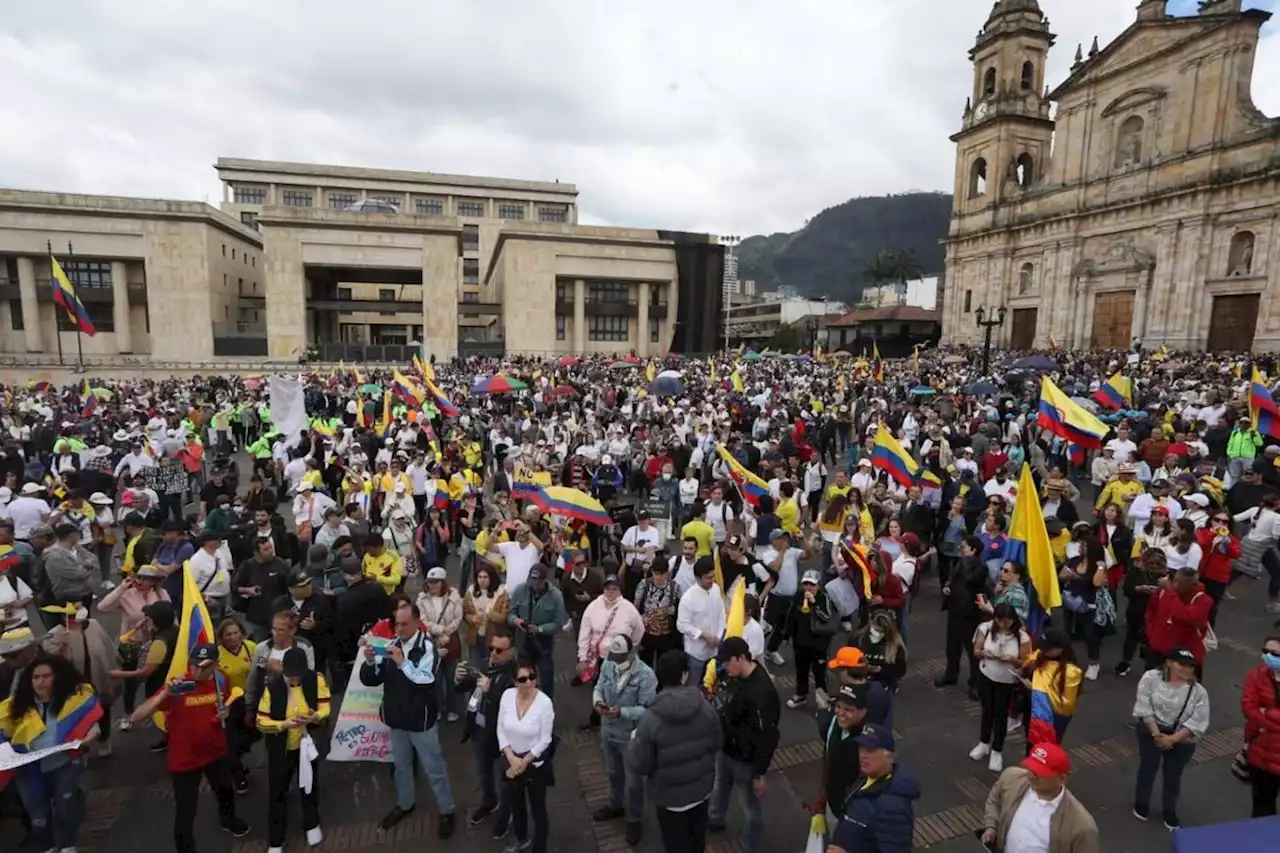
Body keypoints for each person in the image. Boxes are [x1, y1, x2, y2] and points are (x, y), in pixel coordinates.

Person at [130, 643, 252, 853]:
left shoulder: (220, 680)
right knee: (186, 809)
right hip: (184, 759)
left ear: (214, 665)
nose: (197, 671)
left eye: (204, 667)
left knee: (225, 791)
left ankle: (228, 820)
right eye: (194, 665)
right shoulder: (178, 684)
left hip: (215, 751)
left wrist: (226, 711)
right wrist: (165, 693)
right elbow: (136, 717)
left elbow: (226, 704)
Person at [360, 602, 456, 838]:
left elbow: (425, 680)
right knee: (401, 767)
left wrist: (402, 662)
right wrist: (371, 661)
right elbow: (372, 679)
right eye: (396, 624)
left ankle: (447, 810)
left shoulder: (427, 648)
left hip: (421, 721)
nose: (399, 629)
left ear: (416, 623)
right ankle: (405, 804)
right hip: (397, 718)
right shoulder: (392, 645)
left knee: (434, 768)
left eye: (404, 624)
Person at [0, 653, 102, 853]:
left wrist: (89, 737)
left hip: (64, 763)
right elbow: (2, 733)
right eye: (36, 677)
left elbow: (92, 725)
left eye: (46, 676)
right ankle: (46, 846)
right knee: (37, 812)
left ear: (58, 677)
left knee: (66, 807)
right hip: (28, 769)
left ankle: (67, 845)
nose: (41, 681)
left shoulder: (75, 701)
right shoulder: (13, 707)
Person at [630, 648, 722, 853]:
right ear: (685, 674)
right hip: (701, 791)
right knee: (697, 842)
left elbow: (639, 765)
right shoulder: (706, 708)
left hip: (669, 798)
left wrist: (634, 743)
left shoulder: (650, 720)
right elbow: (717, 743)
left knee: (674, 845)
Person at [707, 636, 780, 853]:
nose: (724, 667)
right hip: (726, 748)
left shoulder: (762, 692)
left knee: (751, 808)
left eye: (727, 662)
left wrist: (760, 772)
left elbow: (769, 735)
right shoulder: (734, 675)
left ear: (740, 658)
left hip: (746, 760)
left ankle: (751, 847)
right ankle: (715, 818)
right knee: (720, 785)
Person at [256, 646, 331, 852]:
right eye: (291, 677)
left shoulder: (317, 680)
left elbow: (326, 706)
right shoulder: (272, 687)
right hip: (281, 749)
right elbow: (261, 721)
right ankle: (275, 839)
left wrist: (315, 716)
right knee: (277, 792)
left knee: (309, 787)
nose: (295, 681)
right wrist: (282, 725)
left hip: (307, 746)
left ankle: (312, 823)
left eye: (298, 676)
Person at [1130, 647, 1209, 828]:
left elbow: (1198, 721)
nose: (1186, 669)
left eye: (1190, 666)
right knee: (1147, 768)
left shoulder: (1198, 691)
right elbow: (1144, 706)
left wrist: (1172, 739)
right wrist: (1157, 734)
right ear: (1168, 663)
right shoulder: (1151, 678)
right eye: (1181, 664)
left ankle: (1169, 810)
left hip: (1181, 739)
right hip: (1151, 732)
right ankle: (1142, 802)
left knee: (1173, 774)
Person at [591, 634, 657, 845]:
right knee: (612, 772)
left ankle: (635, 819)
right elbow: (598, 687)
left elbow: (648, 710)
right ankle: (615, 805)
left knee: (634, 781)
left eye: (620, 657)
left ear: (632, 652)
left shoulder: (646, 675)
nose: (615, 661)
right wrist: (598, 703)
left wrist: (623, 713)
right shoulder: (608, 665)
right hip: (608, 731)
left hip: (631, 737)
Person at [979, 742, 1098, 853]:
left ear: (1062, 779)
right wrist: (991, 826)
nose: (1032, 775)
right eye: (1032, 768)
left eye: (1041, 772)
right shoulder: (1011, 778)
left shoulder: (1082, 827)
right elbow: (994, 800)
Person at [457, 625, 517, 838]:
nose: (493, 653)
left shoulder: (516, 675)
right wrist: (459, 677)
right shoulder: (484, 664)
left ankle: (506, 814)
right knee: (483, 772)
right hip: (479, 730)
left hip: (501, 737)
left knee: (504, 778)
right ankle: (489, 802)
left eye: (499, 650)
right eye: (491, 647)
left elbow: (514, 708)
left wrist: (490, 692)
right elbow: (463, 687)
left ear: (511, 652)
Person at [828, 724, 918, 853]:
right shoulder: (868, 776)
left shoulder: (892, 808)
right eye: (861, 748)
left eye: (870, 750)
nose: (862, 755)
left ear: (890, 757)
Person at [497, 657, 555, 853]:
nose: (529, 682)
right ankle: (520, 838)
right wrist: (511, 757)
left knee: (538, 809)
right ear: (515, 682)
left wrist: (523, 762)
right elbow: (500, 728)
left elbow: (545, 740)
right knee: (516, 804)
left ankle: (539, 848)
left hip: (534, 765)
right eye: (523, 679)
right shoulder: (507, 696)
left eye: (532, 677)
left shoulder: (545, 704)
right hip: (511, 760)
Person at [969, 603, 1033, 774]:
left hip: (1007, 681)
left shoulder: (1022, 637)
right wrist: (984, 653)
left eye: (1008, 622)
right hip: (987, 675)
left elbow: (1027, 662)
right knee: (986, 710)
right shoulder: (986, 628)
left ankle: (997, 750)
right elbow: (976, 650)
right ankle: (983, 743)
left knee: (1001, 714)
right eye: (1001, 621)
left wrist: (1013, 660)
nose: (1004, 625)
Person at [810, 684, 870, 830]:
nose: (840, 713)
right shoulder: (834, 724)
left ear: (862, 712)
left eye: (848, 710)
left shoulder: (868, 742)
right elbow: (828, 761)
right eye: (838, 707)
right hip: (832, 803)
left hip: (853, 815)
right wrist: (822, 797)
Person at [937, 535, 988, 700]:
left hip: (969, 614)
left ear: (973, 550)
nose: (961, 548)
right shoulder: (961, 562)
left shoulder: (979, 566)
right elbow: (953, 579)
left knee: (972, 650)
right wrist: (947, 587)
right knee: (952, 646)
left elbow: (970, 579)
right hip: (954, 610)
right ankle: (951, 674)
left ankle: (975, 684)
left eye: (965, 547)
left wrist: (968, 560)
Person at [506, 565, 566, 697]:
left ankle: (546, 705)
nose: (534, 585)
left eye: (538, 582)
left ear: (545, 580)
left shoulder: (556, 596)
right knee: (523, 676)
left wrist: (539, 629)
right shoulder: (520, 590)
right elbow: (510, 613)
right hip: (523, 641)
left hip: (543, 643)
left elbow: (558, 623)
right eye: (532, 581)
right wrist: (516, 621)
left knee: (546, 678)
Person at [785, 568, 840, 709]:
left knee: (819, 673)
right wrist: (787, 635)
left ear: (818, 585)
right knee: (801, 670)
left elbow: (827, 617)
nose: (808, 587)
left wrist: (814, 603)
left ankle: (822, 699)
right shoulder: (798, 596)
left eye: (812, 584)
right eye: (806, 584)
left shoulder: (824, 599)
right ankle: (801, 695)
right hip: (800, 642)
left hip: (818, 644)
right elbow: (791, 616)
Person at [1144, 567, 1213, 672]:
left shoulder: (1203, 601)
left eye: (1180, 583)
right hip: (1157, 650)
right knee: (1151, 684)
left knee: (1179, 687)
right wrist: (1152, 634)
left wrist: (1171, 592)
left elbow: (1182, 615)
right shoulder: (1164, 592)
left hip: (1183, 658)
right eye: (1175, 581)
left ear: (1193, 585)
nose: (1175, 585)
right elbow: (1151, 612)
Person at [1242, 635, 1280, 817]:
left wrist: (1268, 713)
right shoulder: (1256, 675)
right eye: (1265, 651)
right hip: (1261, 752)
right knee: (1262, 805)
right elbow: (1249, 709)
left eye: (1274, 653)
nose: (1268, 656)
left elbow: (1258, 712)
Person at [677, 557, 725, 686]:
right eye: (708, 578)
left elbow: (721, 614)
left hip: (714, 650)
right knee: (693, 683)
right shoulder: (688, 598)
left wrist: (718, 637)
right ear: (698, 578)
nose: (712, 580)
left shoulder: (715, 589)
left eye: (713, 576)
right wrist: (703, 635)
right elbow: (682, 625)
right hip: (696, 652)